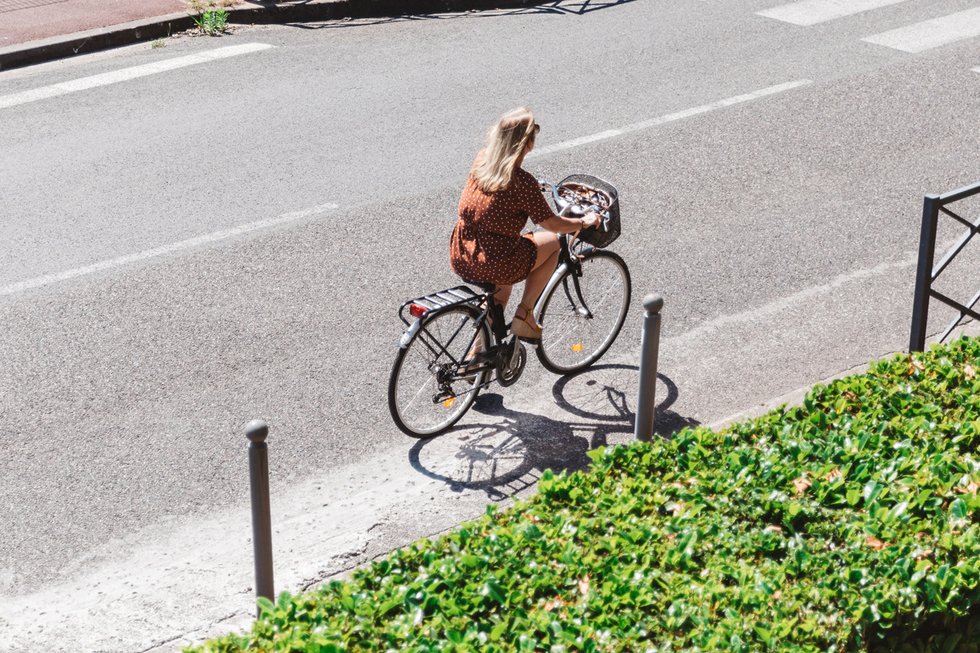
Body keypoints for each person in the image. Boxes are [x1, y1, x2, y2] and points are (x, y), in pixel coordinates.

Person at [449, 107, 601, 342]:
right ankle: (525, 315)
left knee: (499, 295)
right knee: (552, 243)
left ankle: (476, 356)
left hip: (463, 252)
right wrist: (583, 222)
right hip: (495, 260)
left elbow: (496, 194)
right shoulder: (522, 183)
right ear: (527, 144)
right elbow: (552, 223)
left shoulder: (482, 160)